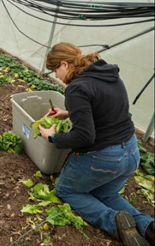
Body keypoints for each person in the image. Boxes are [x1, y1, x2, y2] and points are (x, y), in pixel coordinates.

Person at [38, 42, 154, 246]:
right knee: (105, 192)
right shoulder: (108, 74)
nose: (56, 75)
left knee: (67, 190)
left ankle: (114, 222)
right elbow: (105, 109)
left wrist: (52, 138)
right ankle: (147, 227)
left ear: (64, 64)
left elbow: (84, 137)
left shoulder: (76, 88)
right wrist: (69, 113)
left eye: (56, 69)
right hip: (131, 152)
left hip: (105, 159)